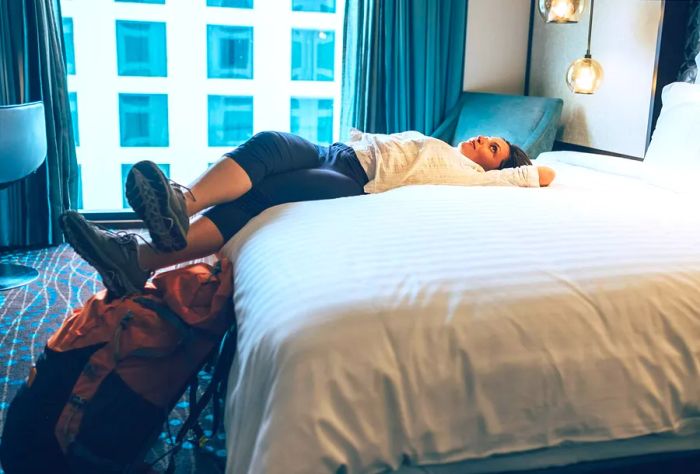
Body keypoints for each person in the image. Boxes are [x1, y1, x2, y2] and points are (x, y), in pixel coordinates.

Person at [60, 130, 556, 297]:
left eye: (493, 147)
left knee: (262, 196)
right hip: (338, 151)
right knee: (268, 144)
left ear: (499, 166)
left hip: (354, 181)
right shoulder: (448, 148)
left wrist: (514, 169)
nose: (481, 142)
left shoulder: (474, 179)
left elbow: (542, 176)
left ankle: (140, 260)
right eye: (487, 137)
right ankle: (180, 203)